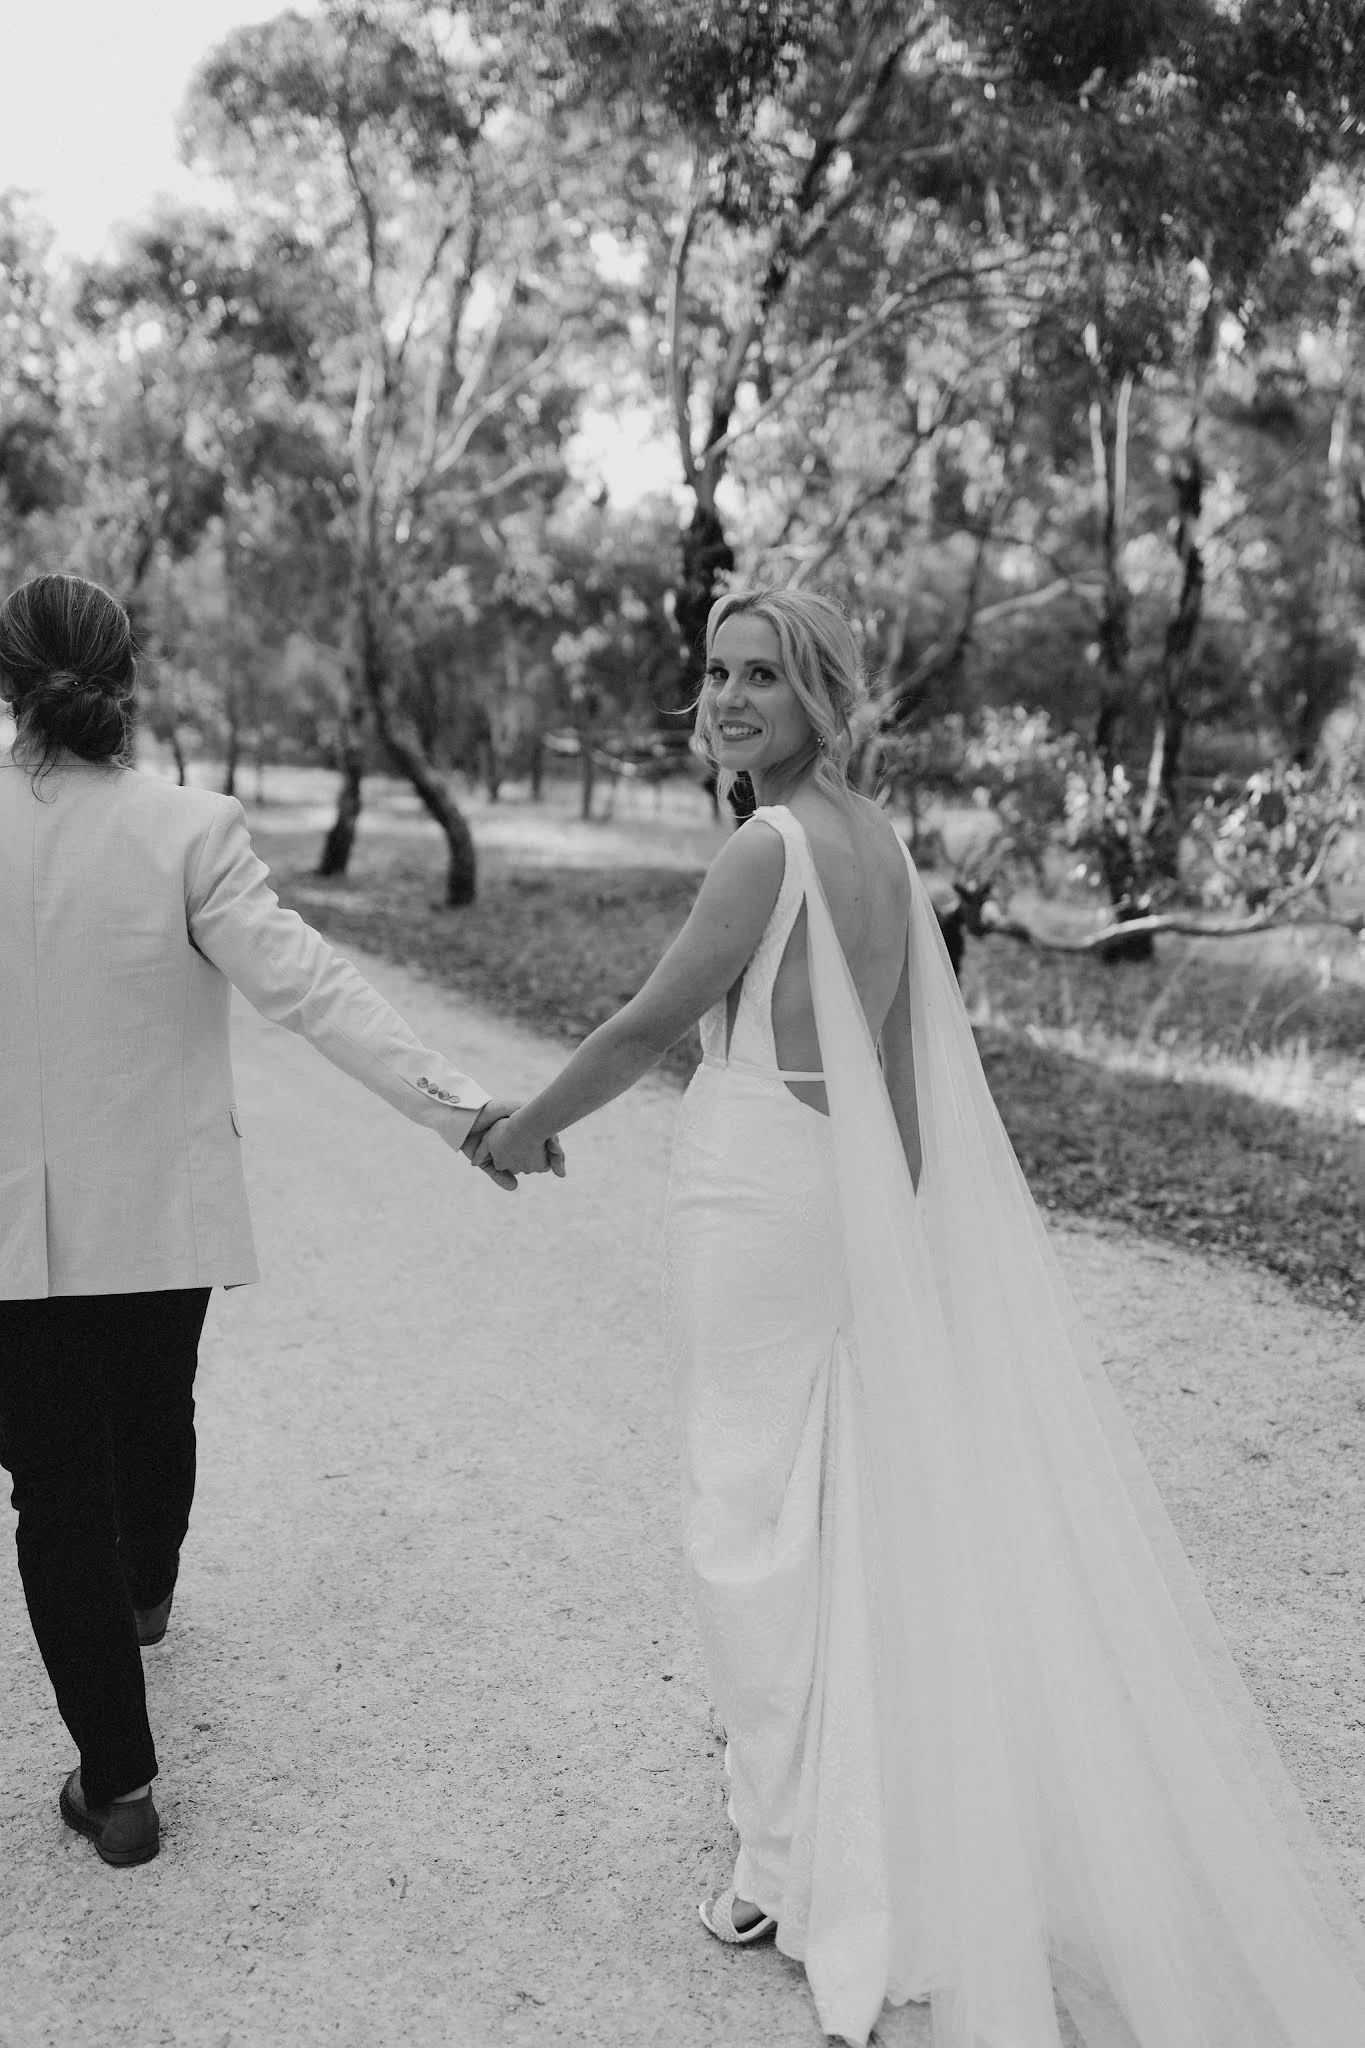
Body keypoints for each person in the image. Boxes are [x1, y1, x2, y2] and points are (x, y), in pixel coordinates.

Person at [477, 586, 1365, 2048]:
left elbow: (646, 1025)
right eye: (718, 672)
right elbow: (894, 1075)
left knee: (744, 1524)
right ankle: (831, 1822)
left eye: (765, 676)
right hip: (836, 1200)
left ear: (822, 698)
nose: (730, 697)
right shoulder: (880, 847)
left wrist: (520, 1131)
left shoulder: (765, 849)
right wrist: (887, 1232)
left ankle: (777, 1866)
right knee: (825, 1516)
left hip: (754, 1200)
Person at [0, 573, 562, 1870]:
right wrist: (460, 1110)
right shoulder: (188, 828)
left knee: (55, 1492)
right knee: (155, 1409)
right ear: (125, 679)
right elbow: (314, 989)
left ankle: (120, 1789)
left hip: (11, 1243)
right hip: (160, 1221)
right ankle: (147, 1595)